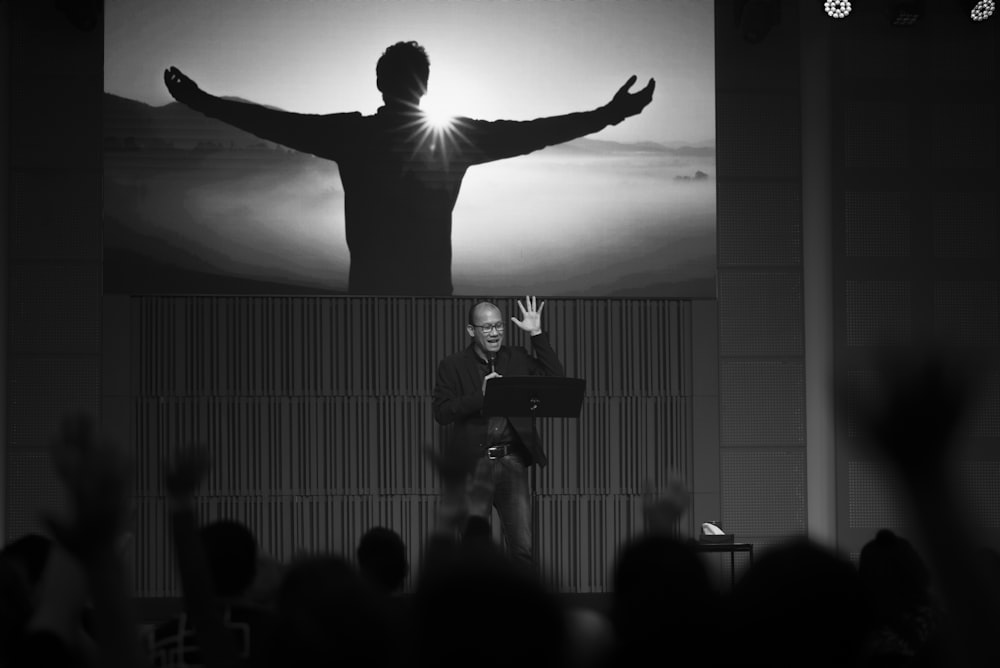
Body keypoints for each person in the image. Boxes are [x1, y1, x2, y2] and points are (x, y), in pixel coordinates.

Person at [163, 41, 655, 295]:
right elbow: (534, 131)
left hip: (370, 294)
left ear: (380, 83)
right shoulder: (455, 140)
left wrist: (203, 102)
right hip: (431, 294)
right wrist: (610, 114)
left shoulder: (353, 135)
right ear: (424, 85)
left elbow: (272, 123)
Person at [432, 295, 563, 565]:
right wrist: (481, 396)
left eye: (499, 326)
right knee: (473, 550)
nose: (495, 333)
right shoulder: (452, 365)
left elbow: (557, 380)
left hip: (511, 462)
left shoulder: (517, 357)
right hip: (473, 467)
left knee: (523, 549)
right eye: (487, 328)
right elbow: (442, 412)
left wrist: (536, 334)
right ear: (471, 331)